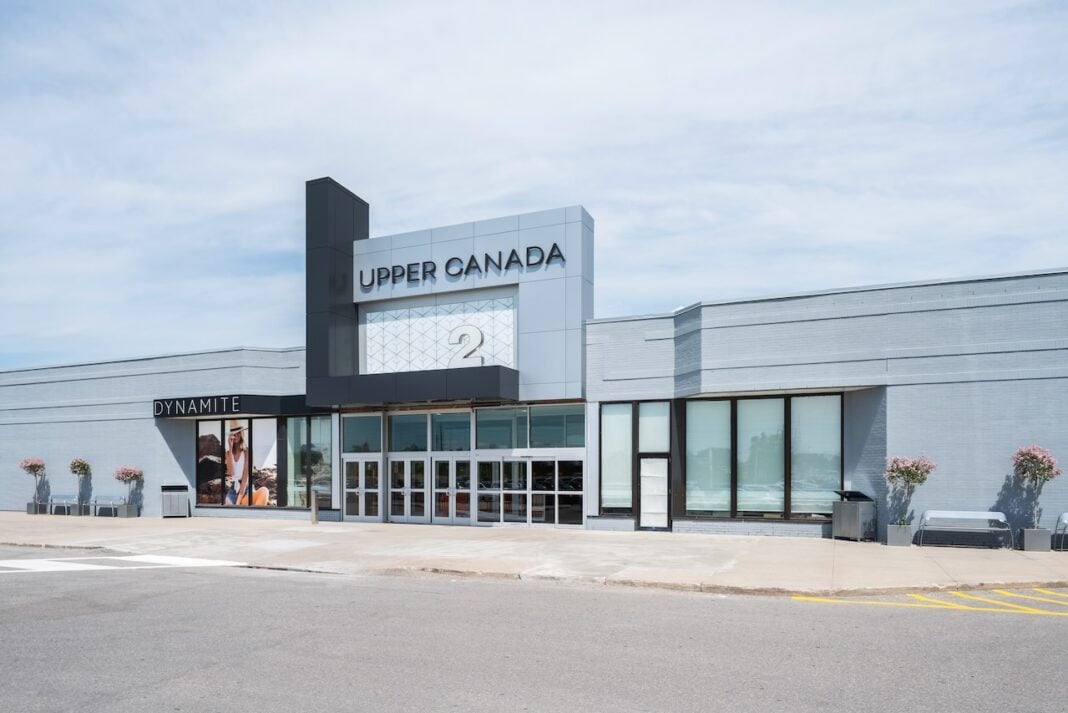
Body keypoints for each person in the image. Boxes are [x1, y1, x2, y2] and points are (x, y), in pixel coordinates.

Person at [224, 420, 270, 506]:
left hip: (247, 488)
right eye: (234, 433)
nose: (236, 435)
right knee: (228, 508)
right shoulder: (227, 453)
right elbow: (231, 472)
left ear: (241, 433)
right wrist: (230, 448)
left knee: (264, 491)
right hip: (234, 489)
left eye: (238, 433)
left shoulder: (247, 452)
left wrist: (238, 502)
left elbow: (245, 478)